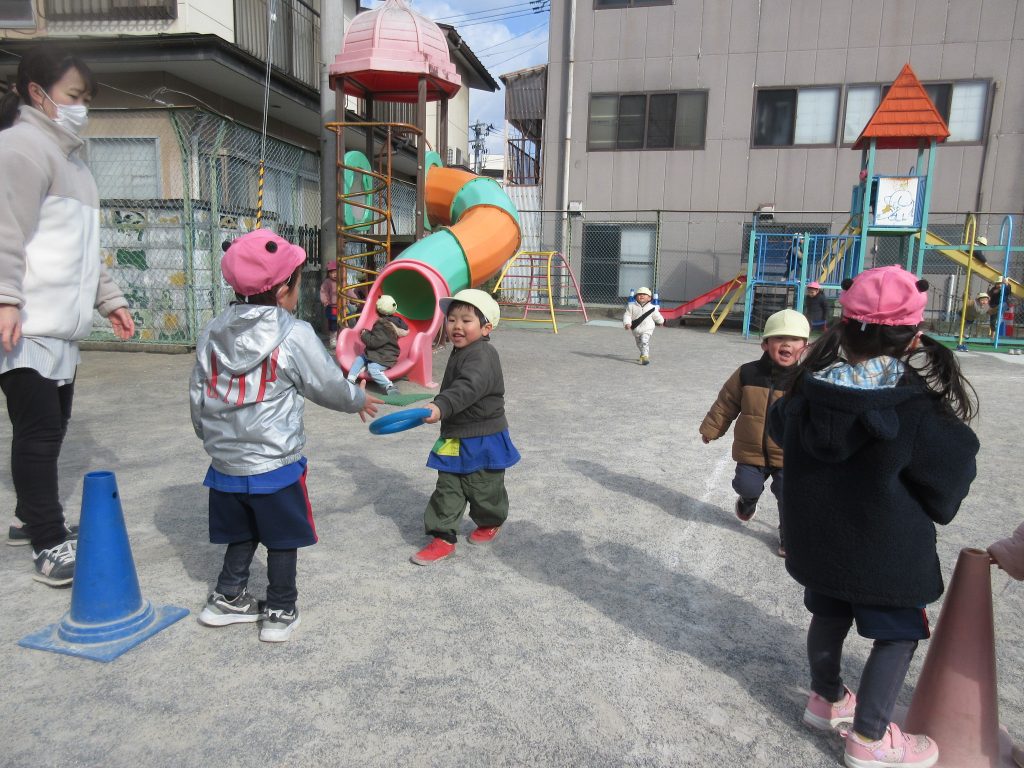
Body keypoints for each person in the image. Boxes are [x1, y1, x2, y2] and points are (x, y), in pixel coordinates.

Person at [768, 265, 979, 768]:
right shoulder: (917, 408)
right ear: (914, 337)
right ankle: (869, 736)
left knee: (828, 614)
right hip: (885, 551)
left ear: (842, 327)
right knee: (898, 633)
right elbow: (949, 474)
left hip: (820, 541)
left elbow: (778, 428)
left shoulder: (807, 390)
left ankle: (826, 698)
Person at [190, 229, 380, 642]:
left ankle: (227, 597)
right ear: (282, 290)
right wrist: (356, 399)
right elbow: (325, 384)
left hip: (225, 463)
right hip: (275, 462)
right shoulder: (293, 333)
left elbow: (198, 392)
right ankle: (279, 607)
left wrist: (209, 438)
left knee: (242, 531)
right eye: (296, 281)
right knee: (281, 537)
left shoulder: (213, 331)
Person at [0, 45, 136, 585]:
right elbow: (5, 232)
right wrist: (6, 298)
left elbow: (84, 250)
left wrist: (111, 299)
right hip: (26, 320)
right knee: (37, 432)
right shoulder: (19, 148)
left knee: (52, 429)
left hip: (61, 324)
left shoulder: (73, 163)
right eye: (74, 96)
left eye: (86, 98)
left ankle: (30, 516)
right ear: (38, 93)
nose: (82, 107)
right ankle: (48, 540)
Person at [410, 289, 520, 566]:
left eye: (466, 320)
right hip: (454, 435)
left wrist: (441, 405)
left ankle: (491, 520)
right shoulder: (462, 350)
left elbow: (468, 387)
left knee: (484, 488)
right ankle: (443, 537)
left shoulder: (483, 354)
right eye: (451, 319)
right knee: (447, 486)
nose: (456, 326)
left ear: (486, 328)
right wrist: (442, 408)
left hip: (483, 437)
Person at [699, 309, 809, 557]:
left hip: (789, 454)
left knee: (788, 495)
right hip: (752, 451)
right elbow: (726, 402)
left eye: (794, 339)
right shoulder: (748, 373)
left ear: (805, 347)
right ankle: (748, 501)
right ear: (765, 344)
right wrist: (712, 428)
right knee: (746, 485)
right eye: (779, 338)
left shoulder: (806, 380)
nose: (787, 344)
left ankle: (788, 535)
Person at [347, 294, 409, 396]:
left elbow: (374, 342)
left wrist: (364, 334)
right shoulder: (397, 321)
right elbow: (381, 339)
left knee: (373, 369)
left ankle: (389, 386)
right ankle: (350, 379)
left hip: (384, 357)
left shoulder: (382, 325)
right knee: (359, 359)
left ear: (377, 310)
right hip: (379, 353)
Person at [622, 287, 665, 365]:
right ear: (636, 297)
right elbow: (627, 315)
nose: (641, 295)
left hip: (647, 328)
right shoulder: (631, 306)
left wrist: (661, 321)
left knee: (644, 341)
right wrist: (627, 323)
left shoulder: (652, 308)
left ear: (649, 298)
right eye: (639, 294)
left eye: (644, 294)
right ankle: (642, 353)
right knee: (639, 344)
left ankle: (645, 357)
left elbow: (657, 316)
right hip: (636, 329)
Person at [319, 260, 339, 347]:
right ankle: (333, 339)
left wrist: (354, 299)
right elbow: (323, 291)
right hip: (332, 307)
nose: (334, 274)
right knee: (333, 322)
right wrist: (325, 301)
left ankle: (341, 338)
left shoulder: (342, 281)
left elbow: (348, 290)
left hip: (342, 306)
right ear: (329, 273)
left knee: (344, 321)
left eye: (336, 272)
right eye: (332, 272)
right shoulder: (327, 282)